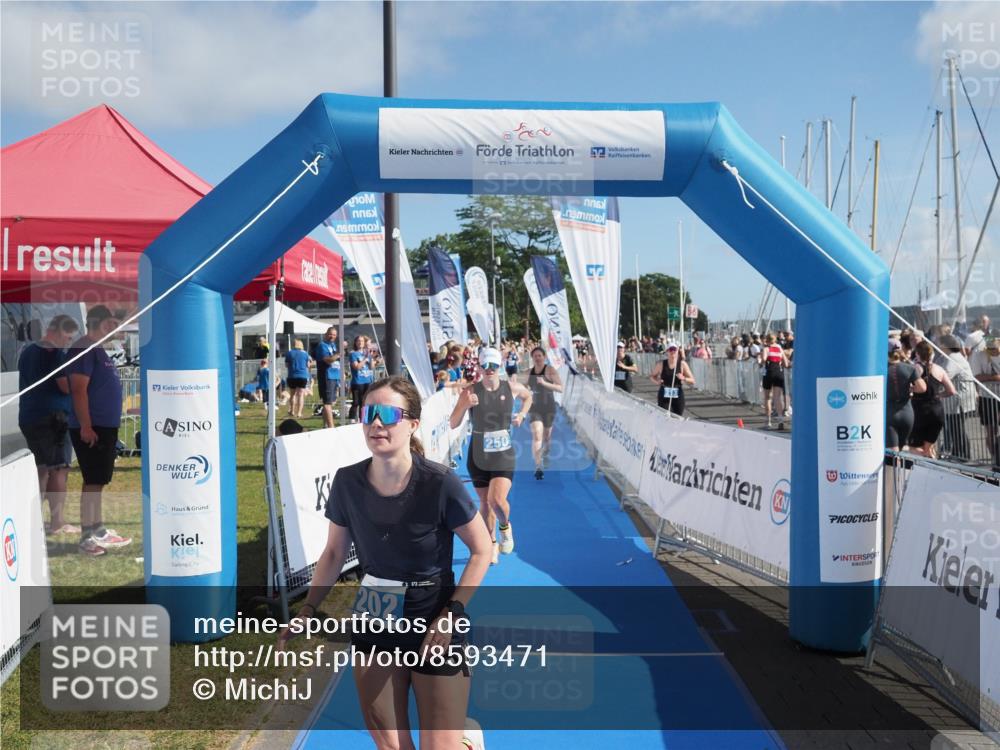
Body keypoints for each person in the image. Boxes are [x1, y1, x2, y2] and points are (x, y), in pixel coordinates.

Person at [279, 376, 492, 750]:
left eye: (389, 414)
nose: (377, 423)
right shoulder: (347, 482)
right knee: (391, 745)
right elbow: (332, 554)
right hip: (376, 606)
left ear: (412, 424)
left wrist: (454, 611)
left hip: (434, 612)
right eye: (369, 413)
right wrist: (309, 607)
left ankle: (464, 740)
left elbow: (482, 550)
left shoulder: (440, 483)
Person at [451, 347, 532, 566]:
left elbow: (528, 396)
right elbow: (453, 422)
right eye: (485, 365)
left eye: (493, 366)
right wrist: (465, 405)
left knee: (497, 501)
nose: (489, 370)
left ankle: (505, 527)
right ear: (479, 366)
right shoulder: (469, 391)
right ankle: (492, 544)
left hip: (503, 454)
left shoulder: (511, 387)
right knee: (485, 504)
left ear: (500, 367)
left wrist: (522, 415)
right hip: (477, 454)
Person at [66, 305, 131, 556]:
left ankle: (98, 529)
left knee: (98, 481)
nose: (116, 329)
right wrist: (85, 425)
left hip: (103, 427)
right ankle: (87, 537)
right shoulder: (84, 348)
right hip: (92, 427)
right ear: (100, 323)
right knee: (92, 481)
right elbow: (78, 389)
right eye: (112, 324)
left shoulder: (97, 349)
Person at [17, 314, 81, 535]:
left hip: (29, 416)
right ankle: (58, 522)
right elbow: (64, 386)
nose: (68, 342)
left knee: (42, 470)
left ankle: (32, 520)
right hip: (52, 419)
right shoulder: (54, 353)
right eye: (67, 337)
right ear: (54, 331)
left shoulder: (27, 352)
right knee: (59, 469)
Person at [909, 340, 957, 459]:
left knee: (914, 448)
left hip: (919, 412)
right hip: (937, 411)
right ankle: (932, 464)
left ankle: (927, 462)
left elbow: (909, 387)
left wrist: (911, 390)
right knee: (929, 448)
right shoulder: (939, 369)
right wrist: (939, 395)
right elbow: (951, 390)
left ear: (918, 354)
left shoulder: (915, 368)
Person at [936, 334, 976, 461]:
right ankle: (958, 453)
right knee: (955, 427)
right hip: (955, 399)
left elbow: (945, 375)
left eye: (939, 343)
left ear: (945, 345)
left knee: (957, 427)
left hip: (960, 399)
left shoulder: (953, 358)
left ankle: (962, 455)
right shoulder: (947, 357)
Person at [525, 347, 563, 480]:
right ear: (532, 358)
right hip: (534, 408)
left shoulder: (550, 370)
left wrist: (545, 383)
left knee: (546, 437)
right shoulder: (529, 372)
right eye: (535, 356)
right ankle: (538, 466)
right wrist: (526, 392)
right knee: (537, 435)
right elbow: (523, 388)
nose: (537, 358)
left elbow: (560, 388)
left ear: (544, 356)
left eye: (540, 355)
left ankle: (546, 454)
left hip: (549, 407)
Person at [885, 339, 926, 451]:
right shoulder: (910, 368)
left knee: (893, 453)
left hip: (889, 413)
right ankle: (904, 469)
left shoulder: (881, 369)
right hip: (907, 413)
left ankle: (893, 468)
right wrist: (911, 389)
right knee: (904, 449)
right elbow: (922, 388)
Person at [970, 337, 1000, 471]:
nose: (992, 351)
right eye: (990, 348)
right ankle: (995, 457)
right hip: (987, 397)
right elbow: (976, 376)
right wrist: (994, 378)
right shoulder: (979, 355)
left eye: (995, 348)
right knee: (990, 430)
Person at [649, 342, 695, 416]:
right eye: (670, 349)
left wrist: (684, 378)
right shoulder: (661, 364)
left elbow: (692, 380)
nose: (673, 352)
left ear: (677, 351)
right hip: (664, 394)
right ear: (667, 351)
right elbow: (652, 376)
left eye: (674, 349)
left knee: (678, 417)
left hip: (678, 394)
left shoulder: (682, 364)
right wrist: (657, 381)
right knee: (665, 416)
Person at [313, 327, 341, 429]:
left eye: (334, 335)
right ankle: (331, 427)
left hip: (334, 376)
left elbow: (336, 361)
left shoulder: (333, 345)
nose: (332, 336)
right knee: (327, 403)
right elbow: (327, 360)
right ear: (326, 334)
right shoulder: (322, 346)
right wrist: (338, 355)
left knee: (331, 402)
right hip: (326, 376)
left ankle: (325, 426)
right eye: (330, 334)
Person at [762, 333, 790, 430]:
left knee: (767, 397)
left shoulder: (766, 349)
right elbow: (786, 363)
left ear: (767, 340)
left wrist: (761, 361)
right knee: (778, 398)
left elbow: (763, 359)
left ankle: (768, 421)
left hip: (769, 372)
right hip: (778, 372)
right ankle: (781, 420)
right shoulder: (779, 348)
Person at [349, 335, 375, 421]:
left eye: (362, 341)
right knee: (356, 402)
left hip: (367, 381)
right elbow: (357, 367)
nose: (360, 343)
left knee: (364, 402)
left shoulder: (366, 353)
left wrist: (372, 358)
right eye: (358, 341)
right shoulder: (353, 354)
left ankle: (362, 419)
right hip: (358, 381)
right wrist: (365, 360)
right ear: (355, 343)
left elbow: (371, 367)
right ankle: (352, 419)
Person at [284, 339, 312, 419]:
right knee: (300, 395)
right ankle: (299, 413)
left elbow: (286, 365)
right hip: (302, 376)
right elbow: (308, 365)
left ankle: (292, 411)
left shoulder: (289, 353)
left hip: (292, 376)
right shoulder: (305, 353)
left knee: (292, 395)